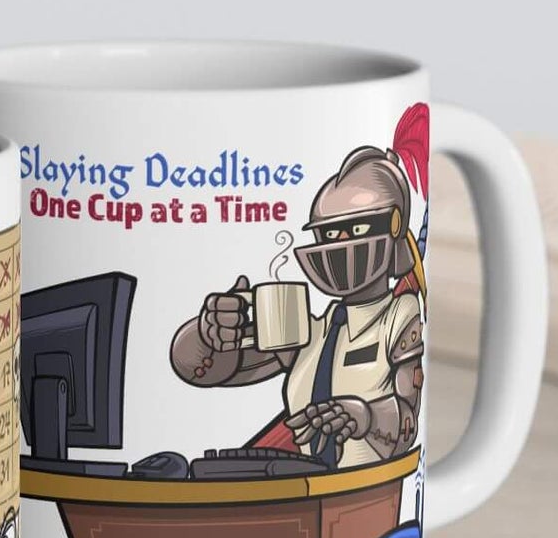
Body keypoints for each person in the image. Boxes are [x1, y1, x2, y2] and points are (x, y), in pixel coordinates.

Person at [169, 146, 425, 469]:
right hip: (307, 495)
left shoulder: (399, 318)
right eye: (329, 234)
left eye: (357, 229)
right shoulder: (312, 332)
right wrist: (209, 334)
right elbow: (203, 371)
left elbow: (408, 424)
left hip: (368, 496)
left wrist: (365, 415)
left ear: (394, 225)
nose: (340, 244)